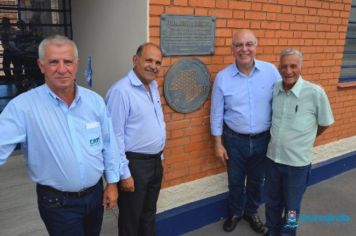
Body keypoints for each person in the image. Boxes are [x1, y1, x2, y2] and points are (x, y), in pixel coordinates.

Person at [0, 35, 121, 236]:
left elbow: (109, 145)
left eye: (68, 62)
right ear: (41, 66)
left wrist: (112, 183)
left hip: (95, 195)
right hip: (57, 204)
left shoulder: (94, 101)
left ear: (76, 64)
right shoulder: (22, 107)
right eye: (53, 62)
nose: (62, 69)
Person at [210, 29, 281, 234]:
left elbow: (282, 100)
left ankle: (251, 212)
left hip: (263, 139)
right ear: (232, 49)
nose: (244, 49)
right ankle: (235, 212)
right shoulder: (223, 78)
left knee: (258, 181)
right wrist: (217, 143)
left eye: (249, 44)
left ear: (256, 46)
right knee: (235, 181)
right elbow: (216, 113)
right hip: (234, 141)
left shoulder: (271, 72)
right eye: (239, 45)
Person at [263, 48, 334, 236]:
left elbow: (325, 123)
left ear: (300, 67)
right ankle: (272, 231)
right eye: (284, 66)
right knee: (272, 202)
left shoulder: (314, 92)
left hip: (297, 165)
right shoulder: (275, 89)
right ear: (279, 68)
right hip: (272, 160)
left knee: (292, 208)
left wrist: (306, 138)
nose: (288, 71)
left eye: (293, 66)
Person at [106, 42, 166, 236]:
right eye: (148, 60)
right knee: (131, 219)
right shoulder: (120, 91)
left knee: (148, 214)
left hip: (155, 162)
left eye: (158, 62)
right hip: (134, 166)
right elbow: (114, 137)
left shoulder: (153, 86)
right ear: (135, 60)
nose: (153, 66)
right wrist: (124, 173)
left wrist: (160, 158)